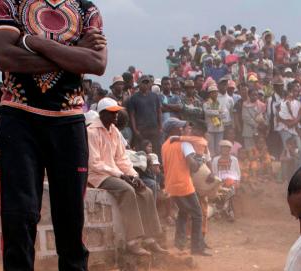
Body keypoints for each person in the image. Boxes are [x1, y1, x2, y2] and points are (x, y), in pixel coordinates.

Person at [0, 0, 108, 271]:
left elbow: (96, 63)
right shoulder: (10, 2)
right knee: (20, 211)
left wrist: (32, 41)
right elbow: (5, 57)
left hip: (68, 120)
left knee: (71, 213)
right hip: (20, 118)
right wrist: (71, 53)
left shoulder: (86, 8)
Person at [88, 97, 166, 257]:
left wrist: (133, 175)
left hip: (116, 173)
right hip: (97, 176)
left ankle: (151, 238)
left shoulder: (114, 131)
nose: (116, 116)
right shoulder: (91, 132)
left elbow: (122, 159)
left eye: (116, 112)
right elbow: (95, 163)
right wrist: (121, 175)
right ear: (102, 114)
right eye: (112, 113)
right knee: (127, 191)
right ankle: (133, 241)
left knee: (146, 190)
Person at [161, 119, 210, 256]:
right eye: (182, 127)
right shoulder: (185, 144)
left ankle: (179, 243)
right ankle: (196, 247)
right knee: (198, 214)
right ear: (174, 130)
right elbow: (193, 167)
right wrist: (201, 159)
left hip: (171, 184)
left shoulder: (165, 145)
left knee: (183, 213)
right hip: (184, 184)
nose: (185, 129)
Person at [126, 75, 162, 157]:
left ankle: (157, 168)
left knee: (156, 151)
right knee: (142, 152)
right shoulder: (133, 98)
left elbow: (159, 111)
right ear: (139, 84)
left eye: (147, 82)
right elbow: (132, 115)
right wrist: (135, 130)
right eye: (143, 82)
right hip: (141, 130)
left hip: (154, 129)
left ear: (150, 84)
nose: (145, 84)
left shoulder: (154, 96)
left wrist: (160, 127)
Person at [210, 140, 239, 221]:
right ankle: (217, 212)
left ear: (230, 150)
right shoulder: (215, 159)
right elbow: (214, 172)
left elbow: (238, 173)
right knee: (218, 193)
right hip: (219, 182)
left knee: (230, 190)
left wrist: (237, 182)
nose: (225, 150)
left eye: (227, 148)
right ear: (220, 149)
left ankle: (230, 213)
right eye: (223, 148)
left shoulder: (234, 160)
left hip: (231, 182)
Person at [202, 80, 224, 154]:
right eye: (213, 92)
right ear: (209, 94)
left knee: (219, 150)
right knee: (211, 151)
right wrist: (218, 112)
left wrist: (215, 112)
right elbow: (208, 112)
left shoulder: (220, 103)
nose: (215, 94)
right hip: (210, 129)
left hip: (219, 129)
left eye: (216, 92)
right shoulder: (206, 104)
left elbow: (224, 113)